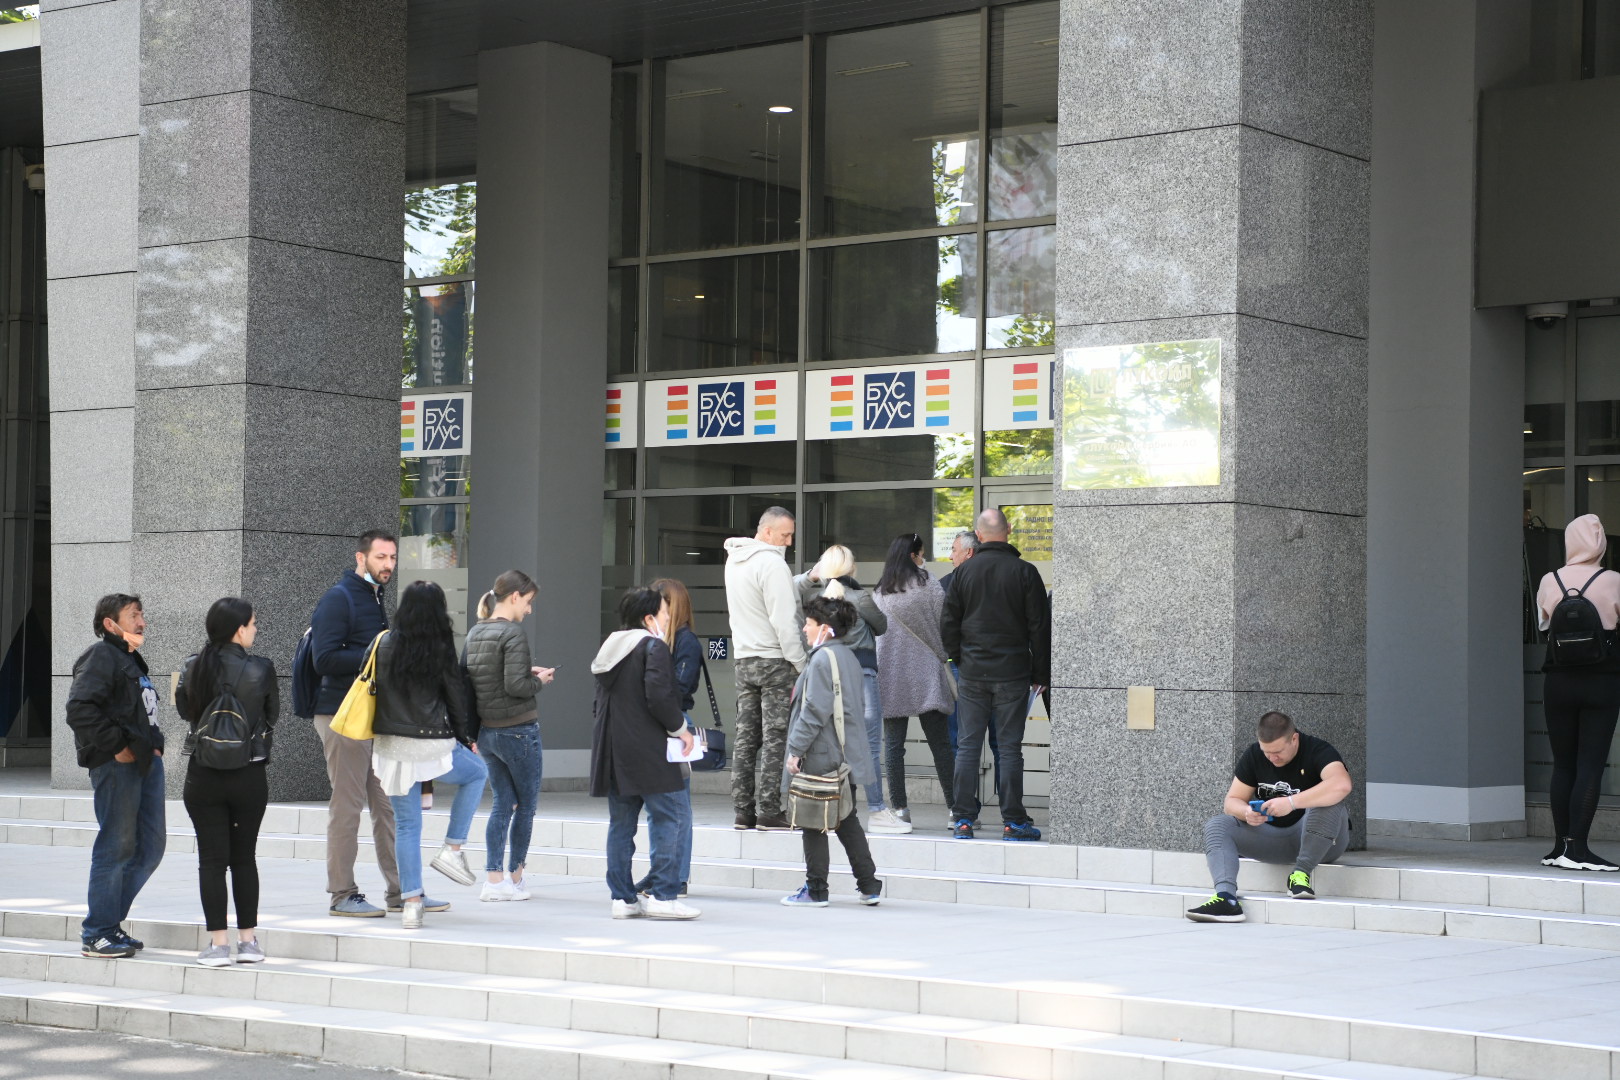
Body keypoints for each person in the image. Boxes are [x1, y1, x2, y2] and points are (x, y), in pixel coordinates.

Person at [371, 580, 489, 930]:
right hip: (430, 743)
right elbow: (455, 697)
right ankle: (453, 849)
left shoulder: (383, 643)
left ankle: (411, 903)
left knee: (407, 825)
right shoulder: (439, 647)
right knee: (477, 772)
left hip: (391, 746)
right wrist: (466, 737)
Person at [175, 598, 277, 966]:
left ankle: (218, 945)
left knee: (211, 861)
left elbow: (185, 711)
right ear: (238, 629)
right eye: (252, 623)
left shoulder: (192, 666)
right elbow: (272, 715)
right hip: (248, 773)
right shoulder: (261, 669)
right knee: (244, 858)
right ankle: (248, 942)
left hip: (203, 775)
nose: (256, 629)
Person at [308, 530, 403, 918]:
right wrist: (378, 654)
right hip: (341, 716)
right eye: (381, 557)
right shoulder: (339, 598)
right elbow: (324, 659)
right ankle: (342, 893)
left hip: (368, 717)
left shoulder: (373, 598)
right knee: (348, 807)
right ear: (361, 558)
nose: (388, 566)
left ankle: (402, 890)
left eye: (393, 558)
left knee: (386, 805)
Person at [590, 587, 700, 920]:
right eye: (664, 614)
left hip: (613, 750)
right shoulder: (653, 647)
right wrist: (681, 730)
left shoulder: (609, 648)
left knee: (621, 825)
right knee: (669, 817)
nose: (668, 620)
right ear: (648, 618)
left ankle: (622, 899)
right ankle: (664, 896)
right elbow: (660, 696)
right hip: (650, 749)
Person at [939, 509, 1049, 841]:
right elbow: (1039, 629)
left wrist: (961, 659)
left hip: (972, 673)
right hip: (1014, 672)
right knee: (1010, 748)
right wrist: (1040, 673)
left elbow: (948, 625)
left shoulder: (962, 574)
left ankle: (962, 820)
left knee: (968, 745)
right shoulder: (1026, 573)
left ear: (979, 534)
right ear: (1010, 531)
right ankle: (1014, 822)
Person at [66, 594, 166, 959]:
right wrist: (115, 747)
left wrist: (155, 745)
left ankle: (108, 924)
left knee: (151, 847)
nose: (141, 621)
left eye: (142, 614)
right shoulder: (101, 656)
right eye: (133, 615)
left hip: (144, 764)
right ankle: (98, 933)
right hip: (117, 765)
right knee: (116, 846)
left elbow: (143, 711)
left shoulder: (129, 658)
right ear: (110, 623)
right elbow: (79, 708)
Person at [1186, 711, 1353, 923]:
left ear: (1294, 739)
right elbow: (1232, 801)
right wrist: (1246, 812)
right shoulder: (1255, 754)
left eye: (1278, 752)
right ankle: (1226, 899)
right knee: (1218, 824)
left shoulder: (1318, 750)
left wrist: (1291, 803)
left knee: (1328, 801)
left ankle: (1300, 876)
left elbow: (1342, 784)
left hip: (1322, 842)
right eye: (1267, 752)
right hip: (1274, 839)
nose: (1272, 758)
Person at [795, 545, 907, 834]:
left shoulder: (814, 598)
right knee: (868, 744)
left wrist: (810, 576)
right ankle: (878, 811)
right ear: (851, 568)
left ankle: (827, 807)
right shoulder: (860, 597)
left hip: (825, 674)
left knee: (826, 742)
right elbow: (881, 626)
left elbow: (792, 589)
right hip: (862, 674)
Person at [781, 596, 884, 908]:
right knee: (846, 818)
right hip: (845, 753)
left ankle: (816, 889)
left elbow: (813, 710)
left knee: (813, 819)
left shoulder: (823, 660)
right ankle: (868, 884)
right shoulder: (848, 657)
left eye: (809, 624)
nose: (804, 629)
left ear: (824, 628)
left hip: (822, 753)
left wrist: (796, 750)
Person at [463, 570, 555, 902]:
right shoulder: (512, 634)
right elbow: (516, 687)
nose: (529, 610)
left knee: (502, 804)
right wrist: (539, 680)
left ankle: (493, 879)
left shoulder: (475, 632)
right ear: (515, 596)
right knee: (526, 805)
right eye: (528, 602)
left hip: (488, 733)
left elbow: (474, 682)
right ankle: (516, 877)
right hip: (519, 730)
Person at [1535, 514, 1620, 871]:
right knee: (1590, 765)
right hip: (1602, 682)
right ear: (1601, 543)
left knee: (1564, 765)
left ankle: (1558, 848)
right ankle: (1579, 850)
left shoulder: (1549, 580)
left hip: (1558, 682)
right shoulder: (1614, 580)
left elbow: (1542, 625)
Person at [723, 506, 806, 832]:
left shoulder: (734, 560)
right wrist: (800, 662)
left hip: (744, 659)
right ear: (767, 531)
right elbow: (784, 620)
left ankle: (742, 810)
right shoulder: (772, 563)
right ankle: (770, 810)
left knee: (745, 737)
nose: (788, 541)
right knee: (775, 738)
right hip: (775, 661)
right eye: (785, 534)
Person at [872, 534, 956, 830]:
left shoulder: (880, 591)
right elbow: (944, 621)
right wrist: (943, 653)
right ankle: (956, 810)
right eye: (921, 554)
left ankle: (900, 810)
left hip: (891, 673)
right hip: (927, 672)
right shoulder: (927, 583)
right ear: (912, 556)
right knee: (941, 746)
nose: (923, 559)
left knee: (893, 747)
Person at [645, 577, 701, 898]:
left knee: (678, 806)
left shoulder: (686, 640)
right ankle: (661, 871)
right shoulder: (654, 639)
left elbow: (681, 689)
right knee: (657, 806)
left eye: (658, 602)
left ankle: (677, 876)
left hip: (677, 727)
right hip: (657, 726)